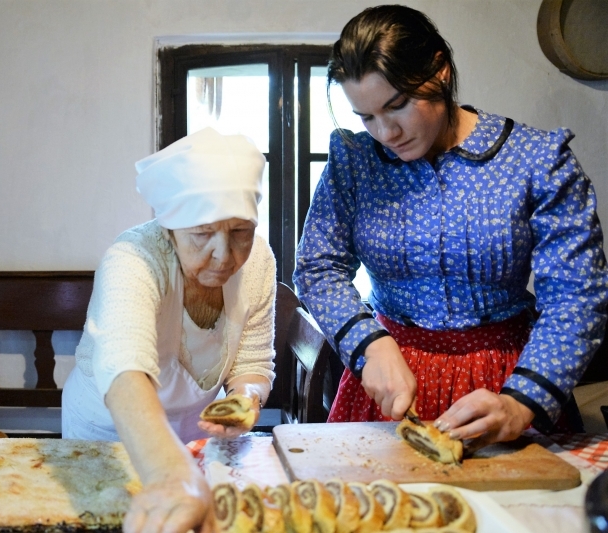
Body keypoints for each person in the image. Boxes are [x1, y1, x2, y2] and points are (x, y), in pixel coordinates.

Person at [294, 4, 608, 449]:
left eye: (397, 105)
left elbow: (578, 295)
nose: (385, 132)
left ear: (439, 70)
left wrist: (523, 402)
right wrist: (368, 344)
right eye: (366, 117)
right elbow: (317, 266)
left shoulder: (537, 161)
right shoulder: (354, 162)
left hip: (505, 384)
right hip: (388, 383)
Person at [62, 126, 276, 533]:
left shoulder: (259, 261)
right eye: (201, 233)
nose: (224, 254)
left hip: (199, 437)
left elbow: (252, 360)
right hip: (108, 434)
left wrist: (246, 399)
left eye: (240, 232)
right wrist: (169, 472)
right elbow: (125, 368)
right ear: (169, 228)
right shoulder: (133, 259)